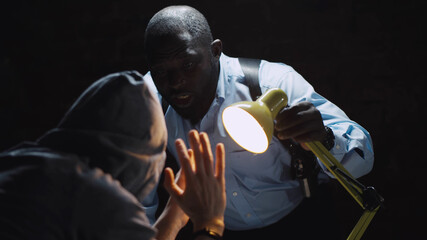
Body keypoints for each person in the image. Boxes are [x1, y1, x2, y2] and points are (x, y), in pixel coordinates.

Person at [142, 5, 375, 239]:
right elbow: (138, 203)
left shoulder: (271, 82)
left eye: (189, 65)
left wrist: (324, 137)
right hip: (222, 231)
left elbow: (363, 156)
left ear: (215, 51)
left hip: (301, 222)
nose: (176, 82)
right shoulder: (148, 103)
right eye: (161, 71)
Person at [0, 71, 226, 240]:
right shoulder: (94, 198)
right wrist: (210, 223)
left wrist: (173, 217)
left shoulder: (20, 160)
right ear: (142, 163)